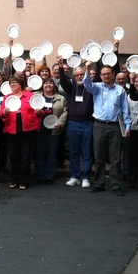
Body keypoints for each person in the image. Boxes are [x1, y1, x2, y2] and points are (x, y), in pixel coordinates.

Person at [83, 61, 132, 196]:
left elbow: (125, 110)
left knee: (116, 158)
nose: (106, 76)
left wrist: (128, 126)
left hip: (115, 127)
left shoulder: (120, 90)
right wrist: (87, 69)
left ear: (113, 74)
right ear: (101, 76)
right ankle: (98, 183)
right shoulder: (97, 88)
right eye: (103, 74)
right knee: (99, 157)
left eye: (108, 74)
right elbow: (87, 84)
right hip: (99, 126)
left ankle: (116, 184)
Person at [0, 74, 42, 190]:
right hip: (12, 129)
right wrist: (5, 113)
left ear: (21, 84)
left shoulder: (30, 96)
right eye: (11, 83)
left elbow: (39, 111)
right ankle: (14, 180)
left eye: (15, 82)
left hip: (27, 130)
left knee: (25, 156)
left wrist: (38, 113)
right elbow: (1, 113)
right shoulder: (7, 97)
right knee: (13, 156)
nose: (12, 85)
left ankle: (24, 181)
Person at [58, 60, 94, 189]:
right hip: (72, 123)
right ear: (74, 77)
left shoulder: (91, 88)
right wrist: (61, 66)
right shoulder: (71, 87)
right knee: (73, 152)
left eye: (82, 74)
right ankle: (75, 176)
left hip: (87, 123)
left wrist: (88, 68)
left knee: (87, 152)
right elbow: (62, 81)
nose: (79, 77)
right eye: (77, 75)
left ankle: (86, 177)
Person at [34, 77, 67, 184]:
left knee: (52, 153)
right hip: (39, 130)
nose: (48, 85)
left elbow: (65, 112)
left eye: (50, 83)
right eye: (46, 83)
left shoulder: (61, 98)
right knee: (39, 153)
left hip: (54, 130)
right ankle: (40, 175)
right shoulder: (36, 97)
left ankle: (49, 175)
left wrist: (60, 123)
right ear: (42, 85)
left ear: (54, 85)